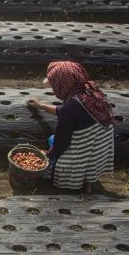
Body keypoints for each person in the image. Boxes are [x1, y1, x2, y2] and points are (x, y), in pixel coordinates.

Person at [27, 61, 115, 193]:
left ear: (62, 84)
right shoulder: (89, 91)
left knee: (52, 145)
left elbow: (61, 143)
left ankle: (74, 184)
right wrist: (41, 106)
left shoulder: (71, 108)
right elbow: (63, 110)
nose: (53, 88)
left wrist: (47, 157)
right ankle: (89, 183)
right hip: (100, 149)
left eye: (54, 84)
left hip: (85, 149)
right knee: (84, 150)